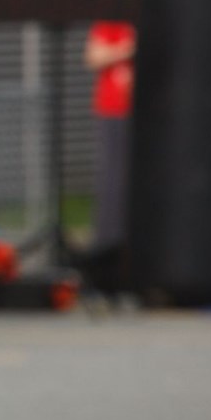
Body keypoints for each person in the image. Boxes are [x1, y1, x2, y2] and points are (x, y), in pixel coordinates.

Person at [83, 15, 135, 285]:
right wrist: (127, 49)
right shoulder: (109, 24)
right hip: (113, 109)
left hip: (140, 112)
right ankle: (107, 237)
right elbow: (93, 57)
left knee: (133, 177)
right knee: (112, 175)